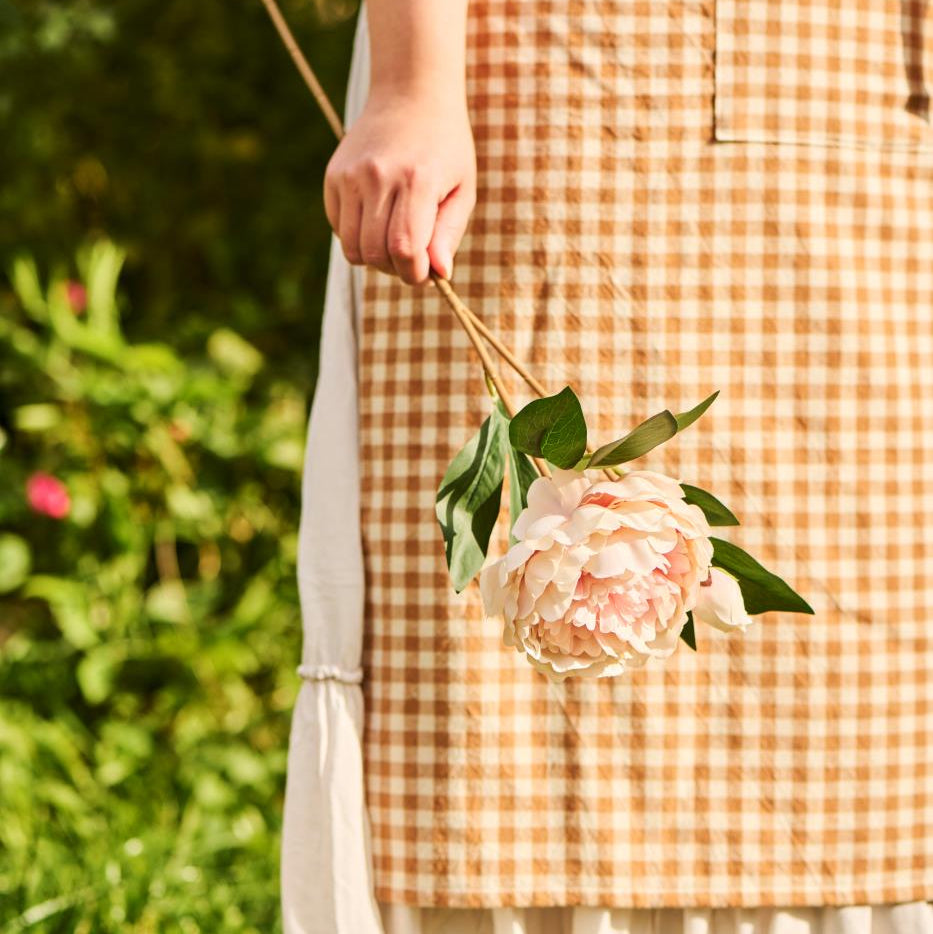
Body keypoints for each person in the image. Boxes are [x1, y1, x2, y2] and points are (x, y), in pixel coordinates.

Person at [281, 1, 933, 932]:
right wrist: (410, 82)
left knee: (877, 667)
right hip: (578, 75)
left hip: (868, 85)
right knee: (499, 733)